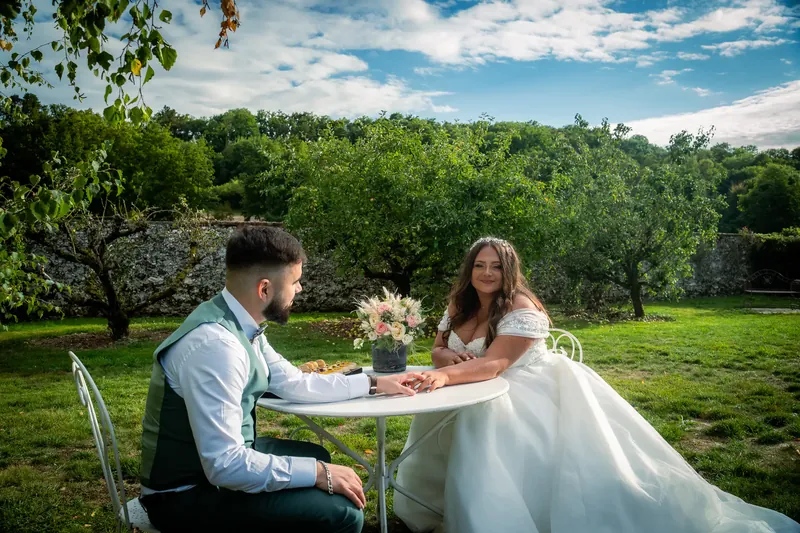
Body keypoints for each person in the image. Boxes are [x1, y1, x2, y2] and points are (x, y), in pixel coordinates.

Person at [394, 237, 800, 533]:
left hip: (527, 390)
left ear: (509, 271)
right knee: (448, 406)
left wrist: (447, 374)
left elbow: (498, 363)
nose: (487, 273)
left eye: (496, 266)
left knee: (482, 419)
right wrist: (449, 360)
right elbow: (438, 348)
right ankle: (437, 505)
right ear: (470, 269)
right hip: (476, 380)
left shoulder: (521, 306)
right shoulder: (459, 303)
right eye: (480, 265)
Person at [138, 225, 423, 533]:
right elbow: (225, 465)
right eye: (295, 281)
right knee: (343, 513)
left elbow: (293, 382)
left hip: (211, 473)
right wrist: (317, 473)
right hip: (184, 496)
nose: (300, 290)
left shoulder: (241, 324)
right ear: (265, 289)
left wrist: (372, 383)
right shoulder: (216, 346)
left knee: (317, 454)